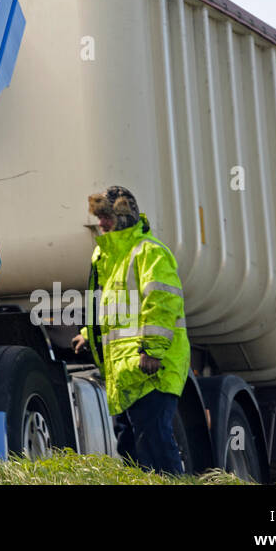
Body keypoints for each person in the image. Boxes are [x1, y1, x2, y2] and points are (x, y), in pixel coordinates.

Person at [71, 186, 189, 474]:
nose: (100, 223)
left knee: (156, 446)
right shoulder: (111, 257)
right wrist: (90, 333)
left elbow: (162, 303)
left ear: (123, 217)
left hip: (152, 370)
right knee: (133, 451)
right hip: (128, 372)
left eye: (106, 216)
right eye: (99, 217)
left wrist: (152, 350)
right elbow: (115, 309)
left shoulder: (149, 252)